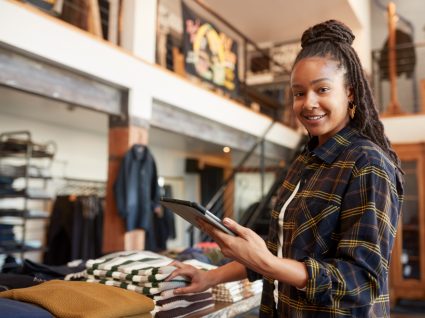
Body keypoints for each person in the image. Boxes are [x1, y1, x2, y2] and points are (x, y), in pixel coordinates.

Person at [167, 20, 404, 317]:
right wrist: (210, 277)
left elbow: (361, 283)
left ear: (350, 93)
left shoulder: (368, 163)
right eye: (299, 93)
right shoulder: (304, 162)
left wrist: (266, 263)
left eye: (322, 89)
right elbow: (280, 251)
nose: (309, 103)